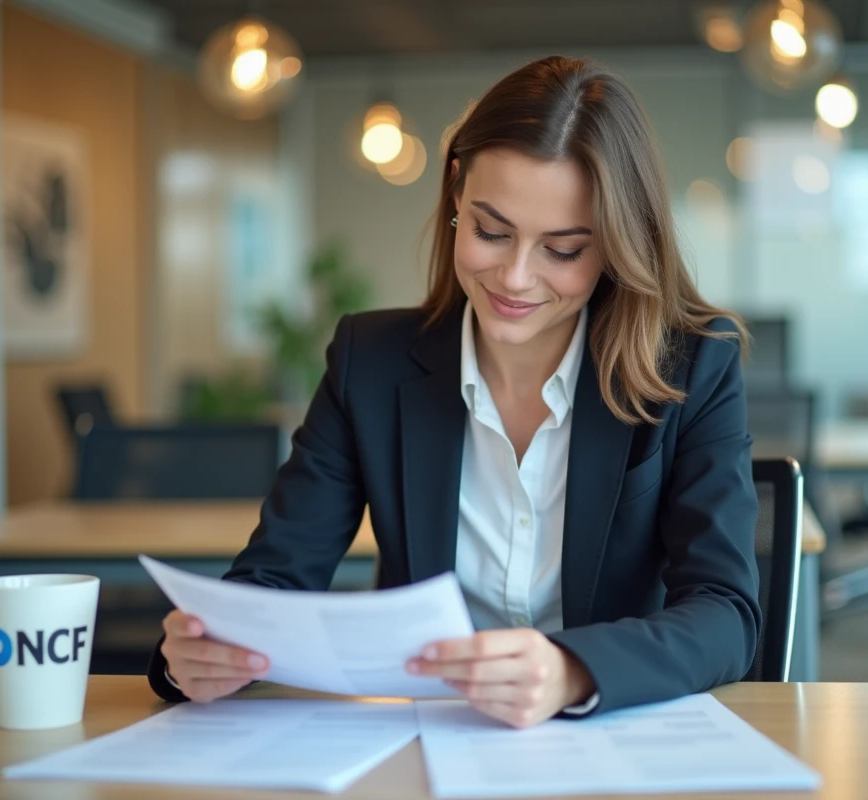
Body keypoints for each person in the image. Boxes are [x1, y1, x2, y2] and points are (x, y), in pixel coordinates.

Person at [149, 55, 760, 728]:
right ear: (455, 197)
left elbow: (725, 614)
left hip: (613, 732)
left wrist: (570, 669)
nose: (516, 278)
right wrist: (198, 656)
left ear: (616, 245)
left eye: (563, 250)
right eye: (491, 232)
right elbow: (275, 581)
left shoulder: (691, 367)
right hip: (426, 729)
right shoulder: (371, 363)